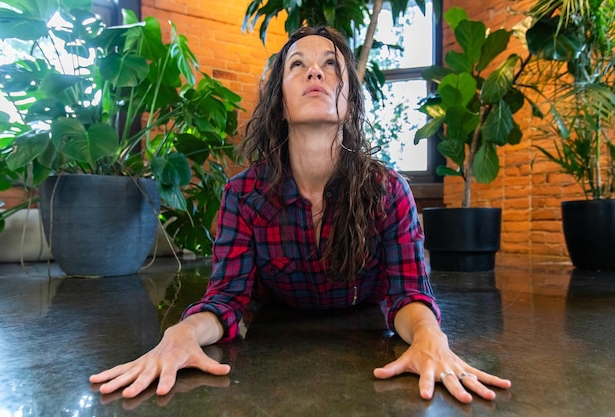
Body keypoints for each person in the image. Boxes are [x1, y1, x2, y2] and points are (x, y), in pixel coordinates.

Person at [90, 25, 511, 404]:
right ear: (279, 102)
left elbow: (408, 293)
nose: (316, 73)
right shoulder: (243, 195)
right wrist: (181, 334)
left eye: (331, 65)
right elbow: (227, 298)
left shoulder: (388, 191)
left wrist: (429, 337)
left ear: (350, 101)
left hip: (363, 339)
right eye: (298, 65)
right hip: (272, 349)